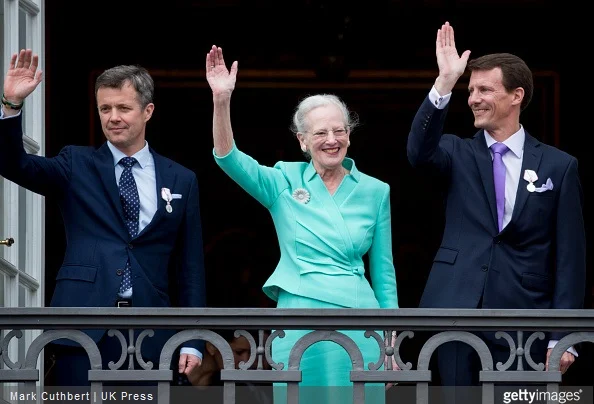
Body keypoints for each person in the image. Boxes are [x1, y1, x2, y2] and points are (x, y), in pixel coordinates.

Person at [205, 45, 399, 403]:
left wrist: (391, 345)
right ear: (303, 142)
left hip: (360, 321)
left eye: (339, 131)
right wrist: (221, 100)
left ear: (350, 136)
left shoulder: (376, 191)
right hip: (300, 317)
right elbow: (229, 160)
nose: (332, 140)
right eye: (321, 133)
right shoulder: (283, 180)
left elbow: (384, 273)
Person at [0, 49, 206, 385]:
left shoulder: (181, 178)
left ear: (147, 111)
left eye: (123, 108)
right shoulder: (75, 164)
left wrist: (195, 341)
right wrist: (11, 105)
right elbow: (13, 164)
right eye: (105, 109)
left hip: (152, 332)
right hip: (81, 327)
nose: (113, 117)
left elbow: (191, 268)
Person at [407, 22, 586, 389]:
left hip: (525, 319)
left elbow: (570, 256)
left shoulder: (559, 166)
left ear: (516, 95)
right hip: (455, 311)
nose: (473, 98)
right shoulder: (457, 152)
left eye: (484, 89)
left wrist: (563, 334)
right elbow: (418, 152)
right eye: (470, 90)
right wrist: (444, 83)